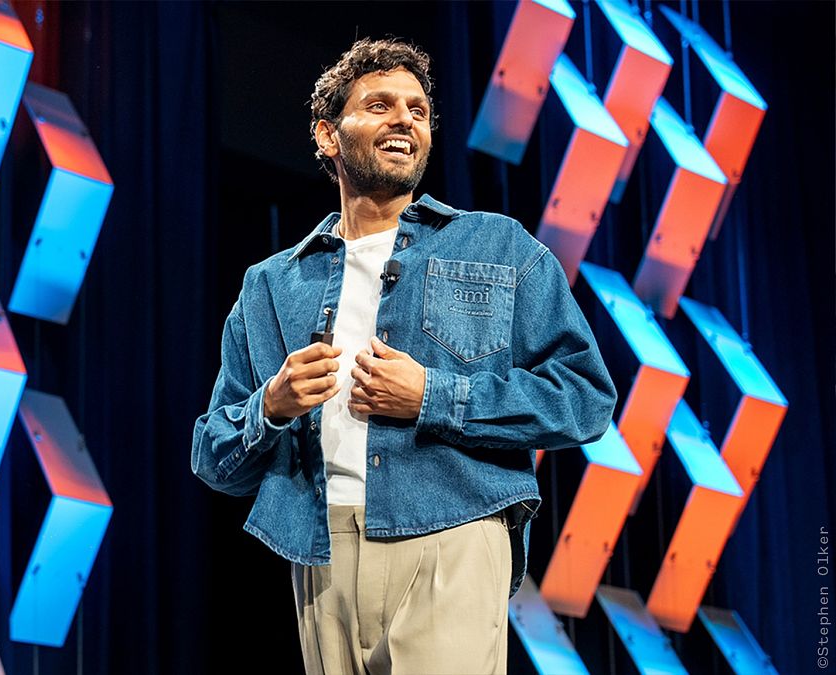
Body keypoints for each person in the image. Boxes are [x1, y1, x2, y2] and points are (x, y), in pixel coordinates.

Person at [191, 38, 616, 675]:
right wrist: (270, 407)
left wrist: (433, 397)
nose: (405, 121)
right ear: (328, 136)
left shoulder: (495, 245)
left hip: (452, 531)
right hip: (320, 550)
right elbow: (212, 457)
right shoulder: (272, 284)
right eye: (380, 105)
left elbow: (585, 397)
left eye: (418, 111)